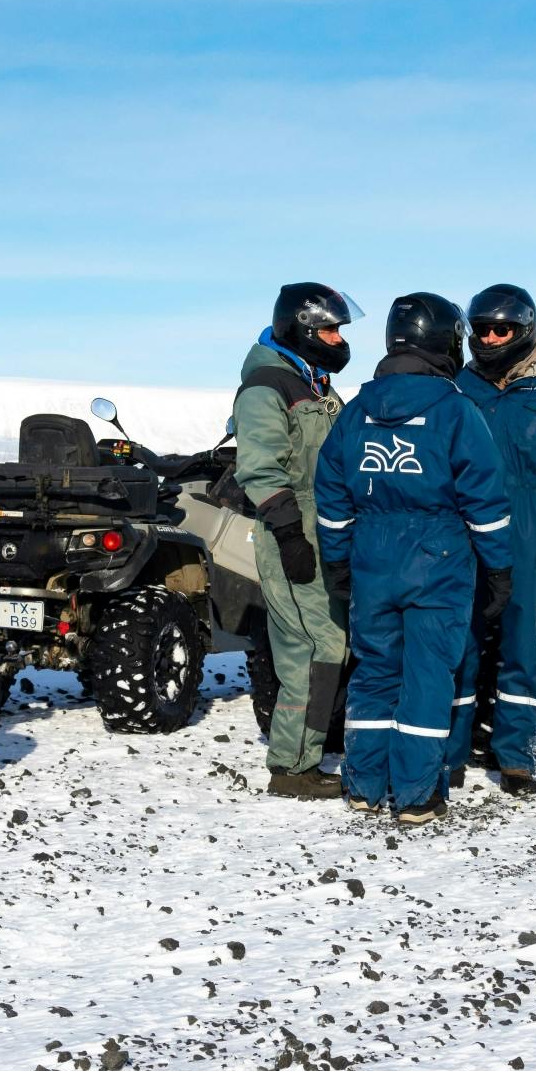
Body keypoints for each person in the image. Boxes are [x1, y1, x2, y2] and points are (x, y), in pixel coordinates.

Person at [313, 293, 513, 826]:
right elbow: (485, 502)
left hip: (371, 558)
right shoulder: (456, 411)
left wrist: (338, 560)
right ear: (446, 343)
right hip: (439, 558)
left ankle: (363, 784)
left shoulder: (355, 411)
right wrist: (499, 567)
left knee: (375, 670)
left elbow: (331, 495)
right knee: (428, 675)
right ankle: (418, 793)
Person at [446, 284, 536, 798]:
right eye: (481, 329)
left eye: (500, 329)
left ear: (525, 330)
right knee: (457, 643)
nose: (489, 338)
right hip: (466, 530)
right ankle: (450, 754)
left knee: (524, 645)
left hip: (532, 529)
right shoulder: (458, 386)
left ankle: (517, 758)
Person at [235, 282, 360, 799]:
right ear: (302, 329)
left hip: (324, 527)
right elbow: (260, 469)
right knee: (314, 648)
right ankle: (291, 766)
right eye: (329, 329)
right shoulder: (269, 386)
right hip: (292, 530)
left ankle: (309, 749)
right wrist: (289, 534)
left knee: (331, 642)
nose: (336, 338)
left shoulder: (314, 383)